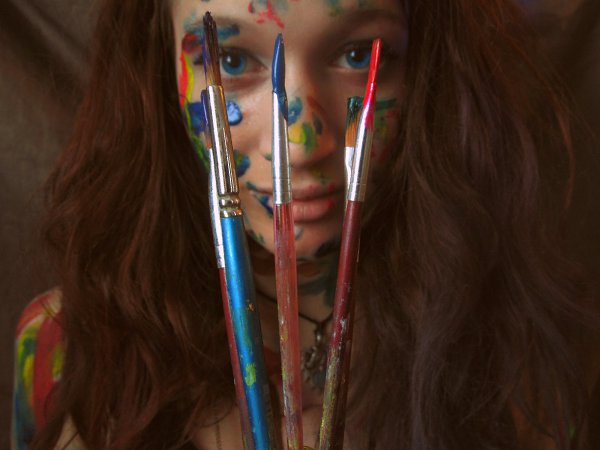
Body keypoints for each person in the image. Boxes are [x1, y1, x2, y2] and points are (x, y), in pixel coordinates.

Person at [12, 0, 596, 449]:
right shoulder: (65, 355)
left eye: (357, 55)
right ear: (158, 72)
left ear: (430, 71)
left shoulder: (523, 360)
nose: (299, 142)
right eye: (231, 61)